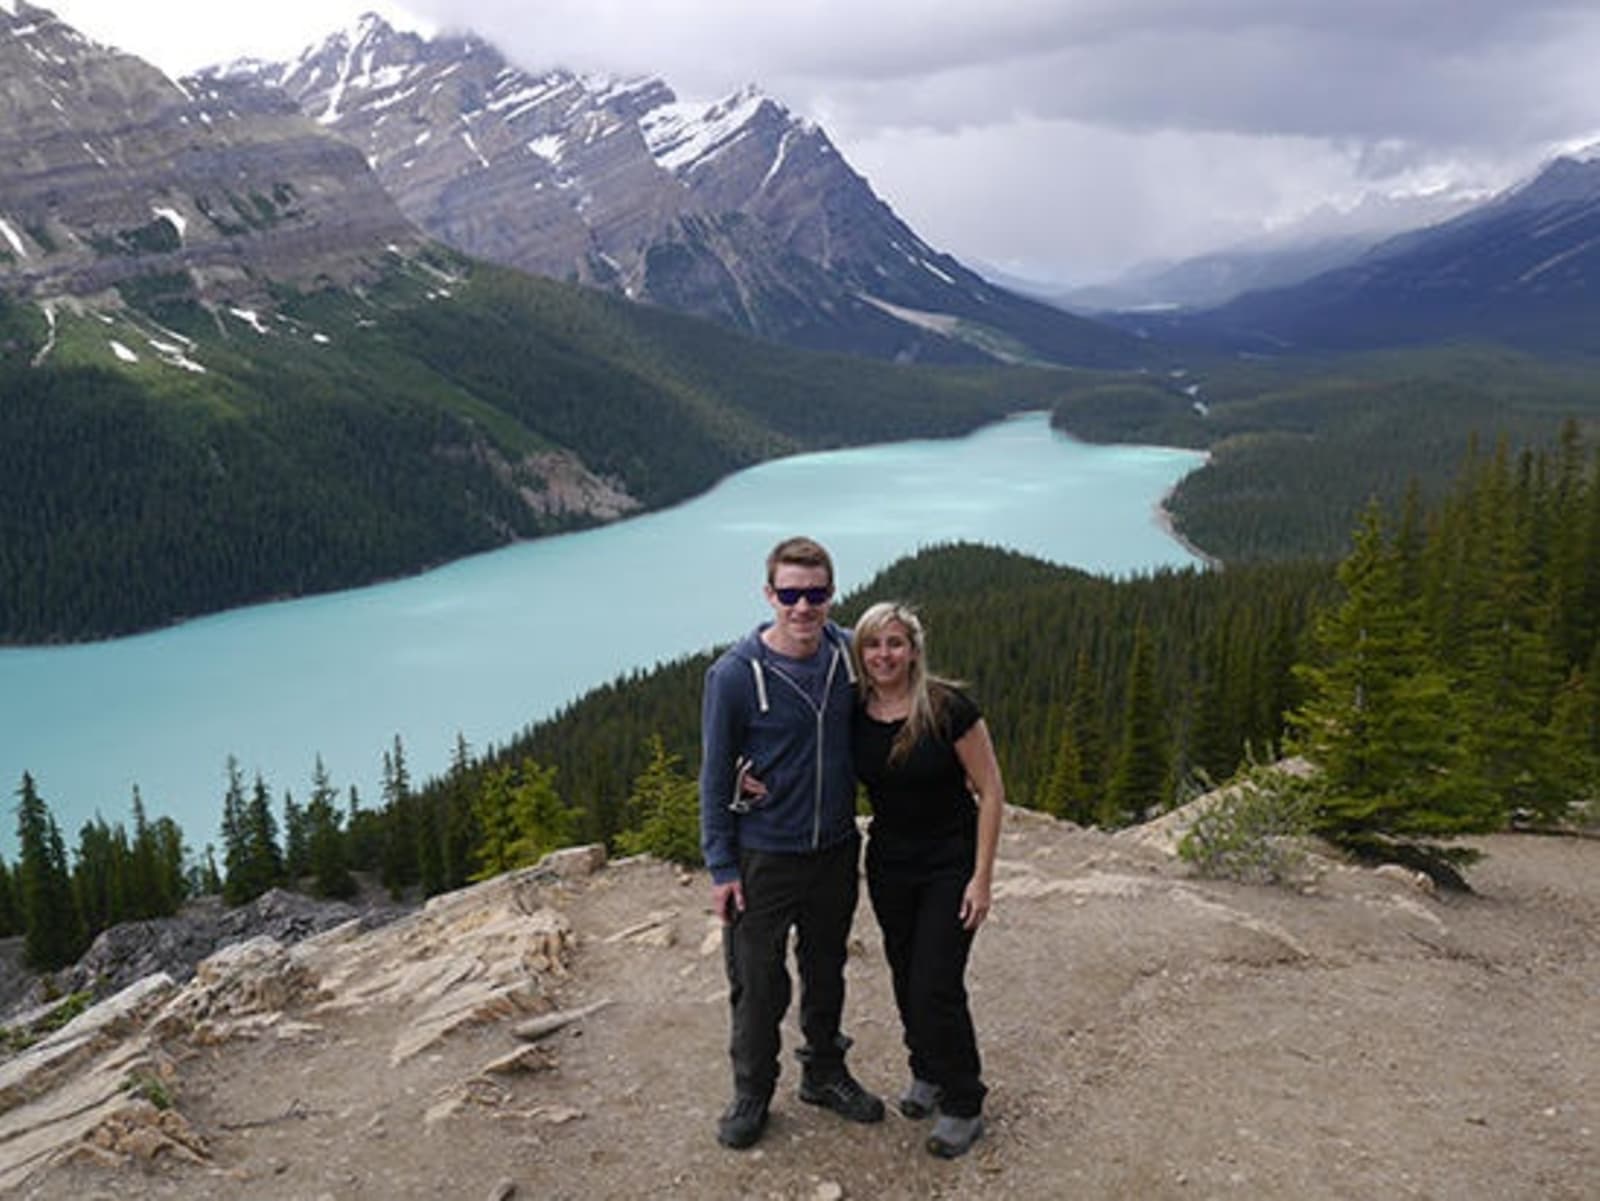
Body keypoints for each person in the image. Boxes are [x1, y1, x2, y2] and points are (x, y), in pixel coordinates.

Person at [699, 535, 885, 1150]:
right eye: (790, 594)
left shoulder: (848, 654)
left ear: (832, 594)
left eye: (815, 593)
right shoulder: (734, 675)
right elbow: (714, 774)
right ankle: (752, 1091)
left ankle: (824, 1074)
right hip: (764, 855)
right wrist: (722, 867)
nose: (803, 606)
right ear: (769, 594)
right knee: (758, 982)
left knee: (826, 968)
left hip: (835, 847)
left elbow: (898, 689)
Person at [850, 600, 1004, 1159]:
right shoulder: (854, 710)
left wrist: (981, 878)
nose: (884, 654)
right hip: (890, 863)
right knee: (904, 972)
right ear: (860, 653)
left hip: (949, 863)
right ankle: (928, 1070)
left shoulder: (947, 708)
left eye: (895, 643)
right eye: (873, 644)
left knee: (936, 982)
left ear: (914, 650)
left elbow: (991, 791)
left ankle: (964, 1100)